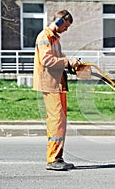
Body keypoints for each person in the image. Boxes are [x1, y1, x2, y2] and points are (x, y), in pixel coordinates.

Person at [33, 9, 80, 171]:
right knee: (56, 121)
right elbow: (46, 60)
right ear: (59, 21)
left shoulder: (54, 39)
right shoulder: (44, 37)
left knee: (60, 122)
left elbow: (58, 60)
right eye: (65, 26)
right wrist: (67, 62)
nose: (66, 30)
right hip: (50, 85)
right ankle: (53, 159)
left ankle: (57, 157)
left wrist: (71, 65)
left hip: (57, 84)